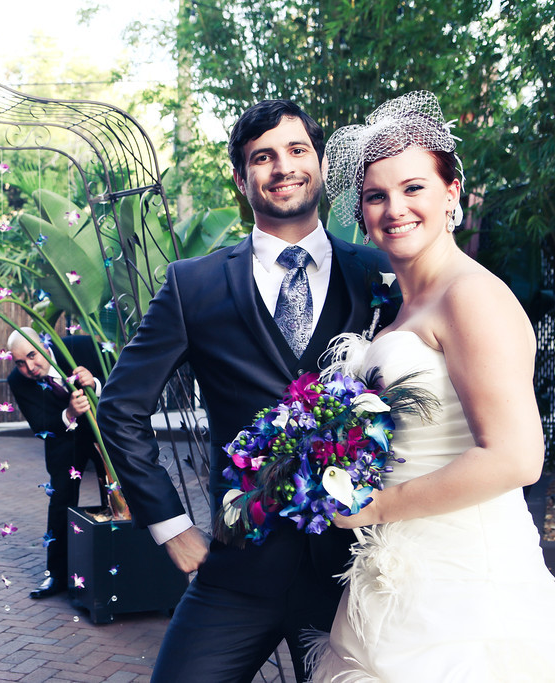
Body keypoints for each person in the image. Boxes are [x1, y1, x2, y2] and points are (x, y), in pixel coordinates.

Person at [95, 100, 392, 682]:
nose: (283, 167)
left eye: (297, 150)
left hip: (352, 575)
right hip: (235, 576)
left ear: (322, 163)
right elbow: (121, 408)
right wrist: (173, 530)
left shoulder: (377, 275)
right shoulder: (193, 285)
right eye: (263, 157)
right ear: (241, 178)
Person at [306, 91, 555, 680]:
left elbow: (517, 457)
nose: (393, 208)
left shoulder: (471, 296)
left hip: (464, 587)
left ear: (451, 193)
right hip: (391, 578)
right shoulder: (399, 308)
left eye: (413, 188)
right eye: (376, 195)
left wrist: (379, 505)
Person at [6, 328, 108, 599]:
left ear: (44, 344)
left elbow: (121, 380)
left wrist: (96, 383)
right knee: (61, 501)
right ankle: (57, 576)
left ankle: (124, 561)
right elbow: (39, 425)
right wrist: (69, 413)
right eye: (19, 363)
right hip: (65, 441)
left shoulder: (82, 346)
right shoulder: (17, 380)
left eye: (32, 355)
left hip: (105, 433)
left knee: (118, 493)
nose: (29, 367)